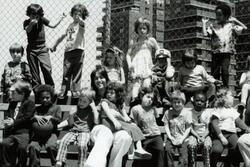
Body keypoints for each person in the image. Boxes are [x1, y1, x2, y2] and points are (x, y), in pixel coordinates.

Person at [84, 65, 132, 167]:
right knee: (106, 133)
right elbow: (95, 121)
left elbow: (122, 110)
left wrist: (119, 114)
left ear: (106, 78)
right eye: (96, 78)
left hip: (114, 130)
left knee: (125, 137)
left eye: (101, 77)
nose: (99, 80)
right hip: (98, 129)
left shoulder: (113, 92)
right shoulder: (91, 95)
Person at [100, 82, 151, 159]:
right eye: (108, 92)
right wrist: (114, 121)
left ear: (118, 94)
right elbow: (107, 112)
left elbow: (126, 118)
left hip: (119, 122)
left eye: (112, 93)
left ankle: (138, 149)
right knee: (129, 129)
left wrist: (130, 122)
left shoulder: (119, 104)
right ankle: (132, 152)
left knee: (134, 127)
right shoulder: (105, 101)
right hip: (109, 122)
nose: (109, 94)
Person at [202, 3, 247, 87]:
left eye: (220, 15)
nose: (217, 17)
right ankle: (215, 88)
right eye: (216, 14)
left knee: (224, 70)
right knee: (214, 71)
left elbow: (244, 28)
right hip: (216, 52)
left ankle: (225, 87)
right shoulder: (213, 26)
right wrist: (204, 23)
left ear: (226, 16)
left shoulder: (231, 26)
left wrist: (235, 20)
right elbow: (205, 34)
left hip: (226, 52)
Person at [23, 3, 65, 90]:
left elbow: (53, 25)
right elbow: (27, 29)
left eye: (37, 16)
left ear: (40, 15)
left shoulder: (42, 20)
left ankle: (50, 89)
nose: (35, 17)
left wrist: (61, 18)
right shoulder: (27, 22)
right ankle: (37, 91)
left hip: (42, 48)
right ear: (29, 14)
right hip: (31, 49)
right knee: (34, 73)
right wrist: (31, 24)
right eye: (32, 15)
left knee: (46, 68)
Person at [51, 3, 88, 98]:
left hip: (78, 51)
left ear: (83, 15)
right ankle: (63, 90)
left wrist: (81, 20)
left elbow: (83, 24)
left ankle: (75, 90)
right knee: (66, 72)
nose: (77, 15)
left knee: (77, 71)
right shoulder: (70, 26)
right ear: (72, 14)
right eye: (75, 13)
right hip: (68, 52)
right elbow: (63, 36)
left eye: (79, 14)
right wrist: (55, 44)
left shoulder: (81, 25)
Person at [55, 89, 99, 167]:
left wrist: (93, 107)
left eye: (84, 101)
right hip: (73, 131)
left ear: (90, 102)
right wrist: (71, 115)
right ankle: (60, 161)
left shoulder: (91, 111)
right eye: (80, 100)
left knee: (82, 145)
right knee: (63, 141)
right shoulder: (76, 109)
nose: (81, 103)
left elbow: (97, 121)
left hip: (85, 132)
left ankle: (82, 164)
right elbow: (70, 123)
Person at [210, 88, 250, 167]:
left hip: (232, 134)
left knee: (236, 148)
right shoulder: (218, 110)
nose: (233, 97)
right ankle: (213, 164)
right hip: (219, 135)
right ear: (224, 98)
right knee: (216, 150)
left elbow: (239, 122)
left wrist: (247, 129)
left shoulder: (232, 110)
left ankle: (230, 164)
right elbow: (214, 123)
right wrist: (221, 137)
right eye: (231, 96)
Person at [0, 80, 35, 167]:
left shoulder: (29, 103)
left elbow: (27, 118)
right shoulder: (12, 103)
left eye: (13, 92)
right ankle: (7, 165)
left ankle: (21, 164)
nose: (11, 94)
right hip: (12, 133)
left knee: (22, 148)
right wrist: (7, 121)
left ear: (22, 94)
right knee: (4, 144)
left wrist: (13, 122)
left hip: (23, 132)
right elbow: (9, 115)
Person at [126, 17, 159, 101]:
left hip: (147, 66)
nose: (142, 30)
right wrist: (130, 64)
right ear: (136, 29)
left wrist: (157, 64)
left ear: (148, 29)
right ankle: (134, 102)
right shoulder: (134, 41)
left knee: (146, 84)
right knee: (136, 86)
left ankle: (147, 102)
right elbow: (128, 55)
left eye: (144, 28)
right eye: (140, 28)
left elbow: (159, 52)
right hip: (137, 66)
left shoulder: (151, 40)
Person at [28, 84, 62, 167]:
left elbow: (59, 120)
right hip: (37, 135)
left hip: (51, 134)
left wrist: (51, 117)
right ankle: (34, 165)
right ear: (39, 98)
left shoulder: (56, 108)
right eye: (42, 98)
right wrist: (35, 116)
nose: (45, 99)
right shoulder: (37, 109)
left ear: (52, 97)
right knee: (33, 146)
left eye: (47, 97)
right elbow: (30, 118)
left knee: (51, 146)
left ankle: (55, 164)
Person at [131, 87, 164, 167]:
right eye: (148, 97)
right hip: (143, 137)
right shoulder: (136, 109)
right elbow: (134, 125)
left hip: (156, 135)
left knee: (160, 150)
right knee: (140, 157)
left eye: (152, 99)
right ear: (142, 96)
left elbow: (155, 122)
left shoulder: (153, 108)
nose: (150, 100)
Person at [163, 90, 192, 167]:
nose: (176, 104)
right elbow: (166, 126)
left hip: (183, 138)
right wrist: (171, 138)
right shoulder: (168, 112)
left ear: (183, 103)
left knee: (184, 155)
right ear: (171, 103)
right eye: (174, 102)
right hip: (171, 138)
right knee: (167, 150)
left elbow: (188, 128)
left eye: (179, 102)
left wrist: (182, 139)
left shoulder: (187, 113)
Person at [188, 92, 212, 167]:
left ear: (205, 102)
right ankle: (192, 164)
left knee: (207, 145)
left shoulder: (207, 113)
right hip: (194, 134)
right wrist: (198, 137)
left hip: (205, 134)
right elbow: (190, 128)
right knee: (191, 145)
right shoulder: (190, 113)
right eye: (197, 100)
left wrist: (203, 137)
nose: (199, 102)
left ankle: (207, 165)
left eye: (202, 101)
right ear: (193, 100)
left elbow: (208, 129)